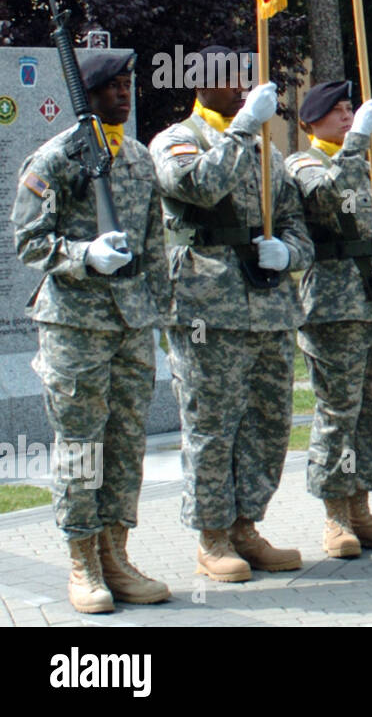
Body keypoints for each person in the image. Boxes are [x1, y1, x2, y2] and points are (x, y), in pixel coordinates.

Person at [11, 50, 171, 614]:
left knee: (126, 444)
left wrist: (166, 317)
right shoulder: (57, 158)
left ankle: (117, 557)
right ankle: (82, 563)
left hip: (130, 323)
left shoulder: (138, 158)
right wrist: (84, 254)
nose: (124, 95)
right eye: (112, 87)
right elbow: (28, 240)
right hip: (74, 325)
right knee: (81, 446)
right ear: (88, 95)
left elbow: (155, 246)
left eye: (129, 86)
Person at [149, 46, 312, 582]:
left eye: (248, 80)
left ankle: (246, 526)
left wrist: (289, 253)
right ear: (201, 84)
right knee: (211, 425)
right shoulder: (176, 140)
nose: (245, 88)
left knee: (267, 425)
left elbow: (295, 223)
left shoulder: (269, 153)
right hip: (205, 308)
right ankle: (212, 536)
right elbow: (197, 185)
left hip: (268, 307)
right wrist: (242, 128)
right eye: (234, 80)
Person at [286, 81, 372, 557]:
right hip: (333, 309)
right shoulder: (301, 165)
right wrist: (358, 139)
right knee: (337, 412)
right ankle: (335, 516)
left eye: (351, 110)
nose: (347, 117)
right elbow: (323, 198)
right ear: (310, 122)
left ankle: (361, 505)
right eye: (337, 112)